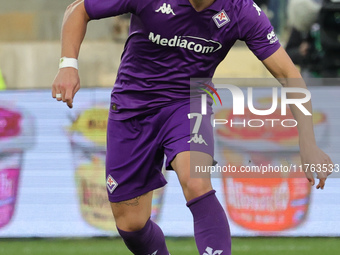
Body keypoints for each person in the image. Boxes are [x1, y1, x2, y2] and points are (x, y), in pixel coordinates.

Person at [52, 0, 333, 254]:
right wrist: (68, 64)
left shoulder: (241, 11)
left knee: (196, 181)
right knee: (131, 224)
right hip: (132, 107)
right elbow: (79, 9)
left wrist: (307, 143)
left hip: (189, 101)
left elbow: (289, 74)